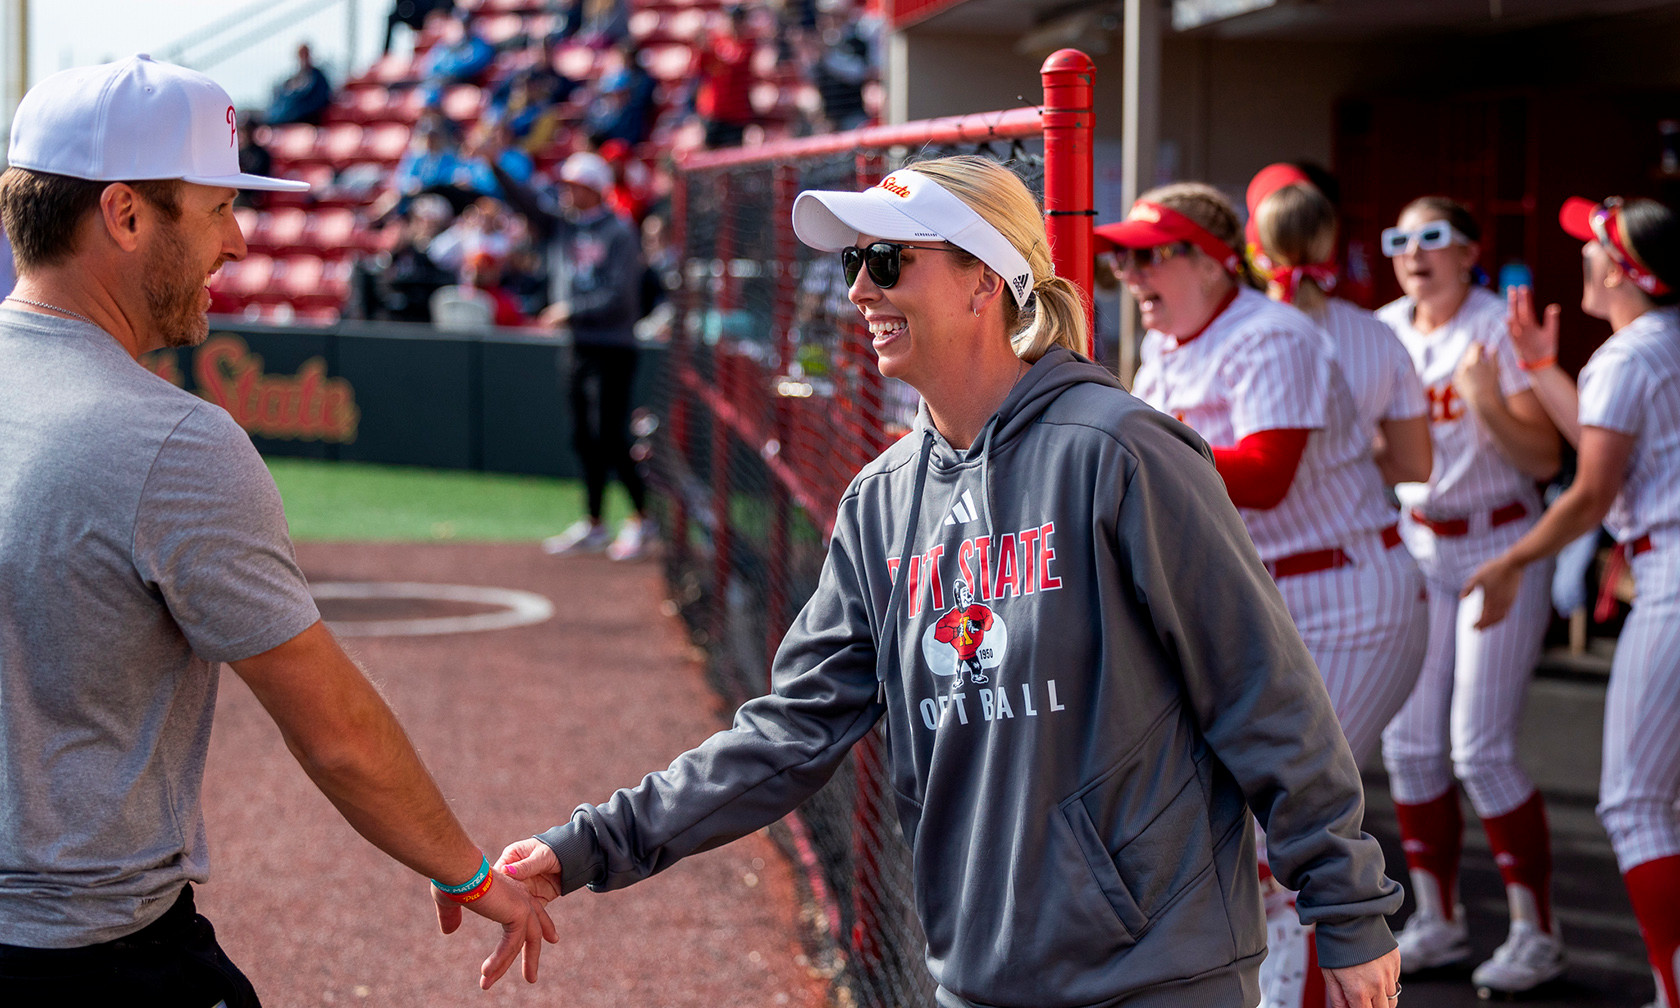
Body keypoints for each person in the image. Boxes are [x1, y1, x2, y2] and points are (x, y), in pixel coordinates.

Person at [492, 155, 1404, 1008]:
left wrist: (1348, 908)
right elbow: (788, 732)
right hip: (976, 973)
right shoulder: (884, 500)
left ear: (984, 279)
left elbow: (1261, 690)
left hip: (1154, 973)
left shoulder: (1120, 452)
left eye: (887, 261)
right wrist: (584, 849)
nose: (859, 290)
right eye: (855, 262)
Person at [0, 54, 554, 1001]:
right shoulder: (172, 442)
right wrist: (465, 868)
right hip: (89, 955)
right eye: (217, 209)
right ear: (125, 215)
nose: (242, 241)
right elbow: (332, 727)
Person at [1097, 183, 1425, 1008]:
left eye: (1148, 254)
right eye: (1124, 257)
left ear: (1209, 261)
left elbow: (1268, 476)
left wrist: (1124, 453)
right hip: (1266, 601)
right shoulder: (1165, 350)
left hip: (1350, 595)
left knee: (1297, 824)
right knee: (1244, 834)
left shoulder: (1273, 334)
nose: (1130, 273)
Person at [1464, 195, 1680, 1008]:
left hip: (1670, 575)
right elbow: (1602, 438)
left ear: (1627, 270)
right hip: (1662, 564)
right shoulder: (1651, 345)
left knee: (1635, 805)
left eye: (1594, 246)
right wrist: (1537, 368)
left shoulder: (1630, 355)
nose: (1582, 255)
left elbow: (1590, 494)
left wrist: (1512, 560)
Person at [1373, 195, 1564, 997]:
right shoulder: (1382, 327)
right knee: (1410, 751)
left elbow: (1546, 456)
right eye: (1399, 238)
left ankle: (1537, 932)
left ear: (1468, 251)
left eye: (1432, 238)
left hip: (1499, 537)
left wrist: (1488, 398)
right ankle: (1439, 920)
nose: (1413, 253)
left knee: (1479, 749)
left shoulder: (1493, 325)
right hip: (1420, 540)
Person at [489, 149, 650, 560]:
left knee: (610, 436)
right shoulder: (563, 226)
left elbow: (620, 296)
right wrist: (495, 162)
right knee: (583, 437)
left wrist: (571, 311)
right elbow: (525, 203)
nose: (567, 193)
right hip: (578, 345)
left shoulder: (619, 231)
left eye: (575, 186)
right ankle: (595, 522)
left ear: (594, 189)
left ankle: (642, 517)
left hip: (612, 347)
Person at [1247, 167, 1433, 486]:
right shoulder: (1381, 335)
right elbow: (1414, 466)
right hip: (1360, 530)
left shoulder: (1230, 334)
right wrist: (1343, 474)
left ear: (1256, 251)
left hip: (1257, 534)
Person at [689, 5, 756, 149]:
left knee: (732, 161)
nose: (733, 24)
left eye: (737, 20)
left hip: (736, 114)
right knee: (708, 158)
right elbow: (698, 68)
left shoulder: (748, 44)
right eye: (731, 19)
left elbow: (736, 62)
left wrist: (713, 52)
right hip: (713, 111)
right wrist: (701, 47)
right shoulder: (716, 41)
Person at [265, 43, 333, 127]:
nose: (303, 58)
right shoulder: (293, 79)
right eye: (301, 55)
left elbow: (319, 99)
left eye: (305, 54)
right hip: (287, 117)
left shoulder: (317, 77)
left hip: (308, 117)